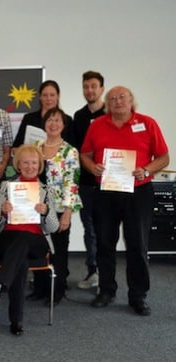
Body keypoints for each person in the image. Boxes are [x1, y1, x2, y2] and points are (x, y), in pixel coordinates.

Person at [81, 86, 169, 316]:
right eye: (112, 98)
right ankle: (106, 290)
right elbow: (85, 155)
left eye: (122, 97)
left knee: (138, 245)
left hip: (138, 193)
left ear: (131, 100)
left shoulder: (147, 123)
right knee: (104, 243)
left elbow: (163, 157)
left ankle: (138, 296)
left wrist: (147, 170)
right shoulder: (97, 125)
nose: (117, 101)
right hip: (106, 192)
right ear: (107, 103)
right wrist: (93, 167)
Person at [0, 144, 59, 336]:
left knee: (25, 238)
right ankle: (16, 320)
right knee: (21, 259)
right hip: (7, 239)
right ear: (18, 164)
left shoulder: (46, 190)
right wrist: (3, 211)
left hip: (37, 240)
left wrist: (47, 212)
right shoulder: (5, 187)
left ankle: (0, 283)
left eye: (34, 163)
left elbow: (53, 228)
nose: (30, 166)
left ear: (40, 165)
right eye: (25, 162)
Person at [30, 108, 82, 305]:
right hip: (37, 207)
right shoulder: (35, 146)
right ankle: (39, 288)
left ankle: (57, 291)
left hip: (60, 208)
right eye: (50, 120)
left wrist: (67, 213)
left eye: (57, 120)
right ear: (44, 124)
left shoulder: (70, 151)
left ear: (63, 125)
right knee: (39, 249)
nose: (53, 124)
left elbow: (72, 183)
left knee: (58, 252)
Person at [72, 71, 105, 289]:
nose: (89, 91)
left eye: (94, 86)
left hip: (110, 183)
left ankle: (107, 274)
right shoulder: (79, 116)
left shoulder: (111, 114)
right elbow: (76, 150)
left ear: (102, 88)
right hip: (86, 183)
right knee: (90, 229)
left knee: (106, 229)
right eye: (86, 87)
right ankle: (93, 271)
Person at [12, 80, 74, 152]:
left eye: (52, 95)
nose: (48, 99)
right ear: (40, 97)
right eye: (45, 95)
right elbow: (15, 148)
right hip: (33, 162)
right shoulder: (29, 119)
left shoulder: (67, 120)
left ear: (58, 96)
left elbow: (72, 148)